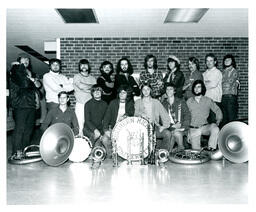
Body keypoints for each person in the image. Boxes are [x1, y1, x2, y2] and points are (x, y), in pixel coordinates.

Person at [9, 53, 41, 159]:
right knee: (20, 129)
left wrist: (34, 80)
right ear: (19, 60)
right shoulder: (15, 70)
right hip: (20, 105)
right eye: (24, 59)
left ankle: (24, 151)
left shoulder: (29, 73)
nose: (26, 61)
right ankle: (16, 153)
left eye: (28, 59)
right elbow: (25, 84)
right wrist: (32, 80)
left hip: (31, 105)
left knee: (28, 130)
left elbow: (38, 86)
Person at [186, 80, 223, 151]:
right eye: (195, 87)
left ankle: (210, 148)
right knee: (196, 152)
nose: (196, 89)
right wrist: (188, 132)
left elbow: (217, 110)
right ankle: (201, 150)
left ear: (202, 88)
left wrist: (218, 120)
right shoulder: (189, 101)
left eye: (199, 87)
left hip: (205, 127)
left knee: (215, 128)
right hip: (193, 129)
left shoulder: (208, 100)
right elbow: (185, 117)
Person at [134, 84, 172, 151]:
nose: (146, 91)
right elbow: (134, 113)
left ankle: (162, 154)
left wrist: (164, 126)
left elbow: (164, 114)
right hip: (141, 127)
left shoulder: (156, 102)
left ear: (150, 90)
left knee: (167, 134)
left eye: (148, 89)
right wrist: (141, 114)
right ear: (141, 91)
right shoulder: (138, 102)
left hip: (154, 126)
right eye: (144, 89)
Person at [102, 85, 135, 157]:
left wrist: (126, 116)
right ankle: (111, 155)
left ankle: (123, 155)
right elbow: (107, 117)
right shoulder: (113, 103)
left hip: (125, 129)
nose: (121, 94)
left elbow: (131, 113)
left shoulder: (130, 103)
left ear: (128, 94)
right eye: (120, 92)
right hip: (113, 127)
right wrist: (106, 129)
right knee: (104, 139)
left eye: (124, 93)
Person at [161, 83, 191, 152]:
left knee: (176, 133)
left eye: (171, 89)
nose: (169, 91)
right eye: (167, 89)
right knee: (168, 151)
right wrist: (172, 126)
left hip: (181, 128)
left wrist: (182, 126)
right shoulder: (163, 104)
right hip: (170, 128)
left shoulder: (180, 101)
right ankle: (177, 150)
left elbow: (187, 115)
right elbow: (162, 119)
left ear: (174, 91)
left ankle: (180, 148)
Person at [73, 59, 96, 135]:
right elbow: (81, 86)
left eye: (85, 64)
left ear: (88, 66)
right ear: (79, 66)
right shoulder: (77, 76)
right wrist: (90, 87)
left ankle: (89, 143)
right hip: (81, 104)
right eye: (82, 65)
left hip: (91, 104)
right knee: (79, 124)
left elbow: (95, 90)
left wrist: (86, 88)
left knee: (90, 124)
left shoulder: (93, 78)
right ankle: (79, 141)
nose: (83, 66)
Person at [83, 84, 108, 149]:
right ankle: (87, 148)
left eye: (99, 91)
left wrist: (104, 131)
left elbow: (105, 119)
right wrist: (95, 130)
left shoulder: (105, 104)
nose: (97, 92)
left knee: (98, 149)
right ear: (92, 93)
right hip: (88, 129)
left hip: (99, 129)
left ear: (101, 93)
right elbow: (87, 121)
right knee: (96, 137)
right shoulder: (88, 104)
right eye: (94, 91)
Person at [220, 54, 239, 127]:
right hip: (223, 97)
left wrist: (222, 83)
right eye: (225, 59)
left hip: (231, 97)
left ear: (232, 61)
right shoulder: (223, 72)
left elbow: (228, 83)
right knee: (224, 120)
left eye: (228, 59)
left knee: (231, 120)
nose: (226, 61)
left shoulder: (234, 71)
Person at [203, 53, 222, 123]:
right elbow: (203, 85)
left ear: (215, 62)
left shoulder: (217, 72)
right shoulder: (204, 73)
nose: (209, 63)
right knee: (208, 123)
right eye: (207, 61)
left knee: (214, 122)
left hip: (215, 100)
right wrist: (207, 83)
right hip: (206, 100)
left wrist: (205, 84)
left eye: (211, 60)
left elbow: (213, 84)